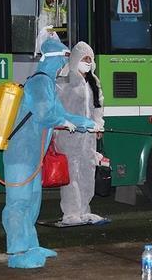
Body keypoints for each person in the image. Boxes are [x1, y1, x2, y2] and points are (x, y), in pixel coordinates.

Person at [2, 34, 95, 268]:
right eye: (62, 60)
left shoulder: (49, 84)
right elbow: (47, 115)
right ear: (52, 59)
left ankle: (31, 245)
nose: (64, 65)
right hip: (20, 156)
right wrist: (65, 122)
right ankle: (17, 252)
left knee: (32, 201)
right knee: (19, 203)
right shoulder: (39, 82)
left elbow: (61, 112)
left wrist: (88, 123)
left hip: (33, 156)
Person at [55, 41, 106, 226]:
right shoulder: (64, 81)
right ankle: (71, 212)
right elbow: (58, 109)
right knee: (71, 174)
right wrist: (72, 123)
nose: (87, 62)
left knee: (87, 171)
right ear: (76, 59)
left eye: (89, 59)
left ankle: (84, 210)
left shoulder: (93, 81)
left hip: (88, 138)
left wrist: (98, 125)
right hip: (68, 136)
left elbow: (98, 107)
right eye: (84, 58)